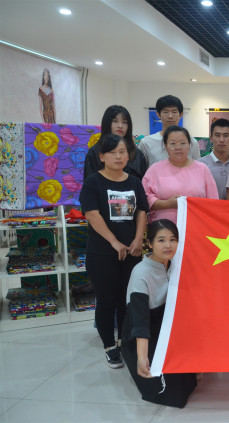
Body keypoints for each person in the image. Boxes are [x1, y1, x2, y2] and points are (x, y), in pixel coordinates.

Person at [79, 133, 148, 368]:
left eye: (122, 152)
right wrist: (113, 242)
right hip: (102, 253)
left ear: (128, 156)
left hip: (132, 252)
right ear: (102, 156)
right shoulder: (93, 182)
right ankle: (110, 346)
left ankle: (124, 342)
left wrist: (138, 239)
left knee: (126, 300)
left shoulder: (135, 182)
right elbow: (92, 215)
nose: (118, 156)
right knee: (107, 300)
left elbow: (141, 211)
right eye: (112, 152)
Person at [121, 219, 198, 408]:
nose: (168, 245)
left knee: (189, 380)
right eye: (161, 240)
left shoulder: (176, 265)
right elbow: (139, 321)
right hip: (141, 332)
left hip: (167, 327)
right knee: (172, 393)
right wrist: (142, 357)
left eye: (173, 240)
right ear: (149, 243)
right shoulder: (141, 273)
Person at [143, 126, 218, 223]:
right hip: (163, 228)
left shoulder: (202, 169)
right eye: (173, 144)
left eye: (183, 143)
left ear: (189, 145)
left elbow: (213, 202)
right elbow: (144, 198)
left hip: (197, 225)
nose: (178, 148)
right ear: (165, 146)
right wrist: (167, 204)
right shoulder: (154, 170)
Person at [83, 105, 149, 181]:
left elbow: (144, 184)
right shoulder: (94, 152)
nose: (120, 126)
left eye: (124, 122)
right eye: (115, 121)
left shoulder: (137, 154)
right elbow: (89, 183)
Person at [139, 95, 201, 165]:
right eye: (165, 112)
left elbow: (198, 168)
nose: (170, 116)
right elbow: (142, 170)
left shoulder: (192, 142)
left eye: (174, 112)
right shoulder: (146, 143)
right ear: (158, 115)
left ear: (181, 115)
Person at [198, 118, 229, 200]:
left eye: (226, 135)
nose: (221, 140)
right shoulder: (200, 165)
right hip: (208, 207)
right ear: (211, 138)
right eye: (217, 135)